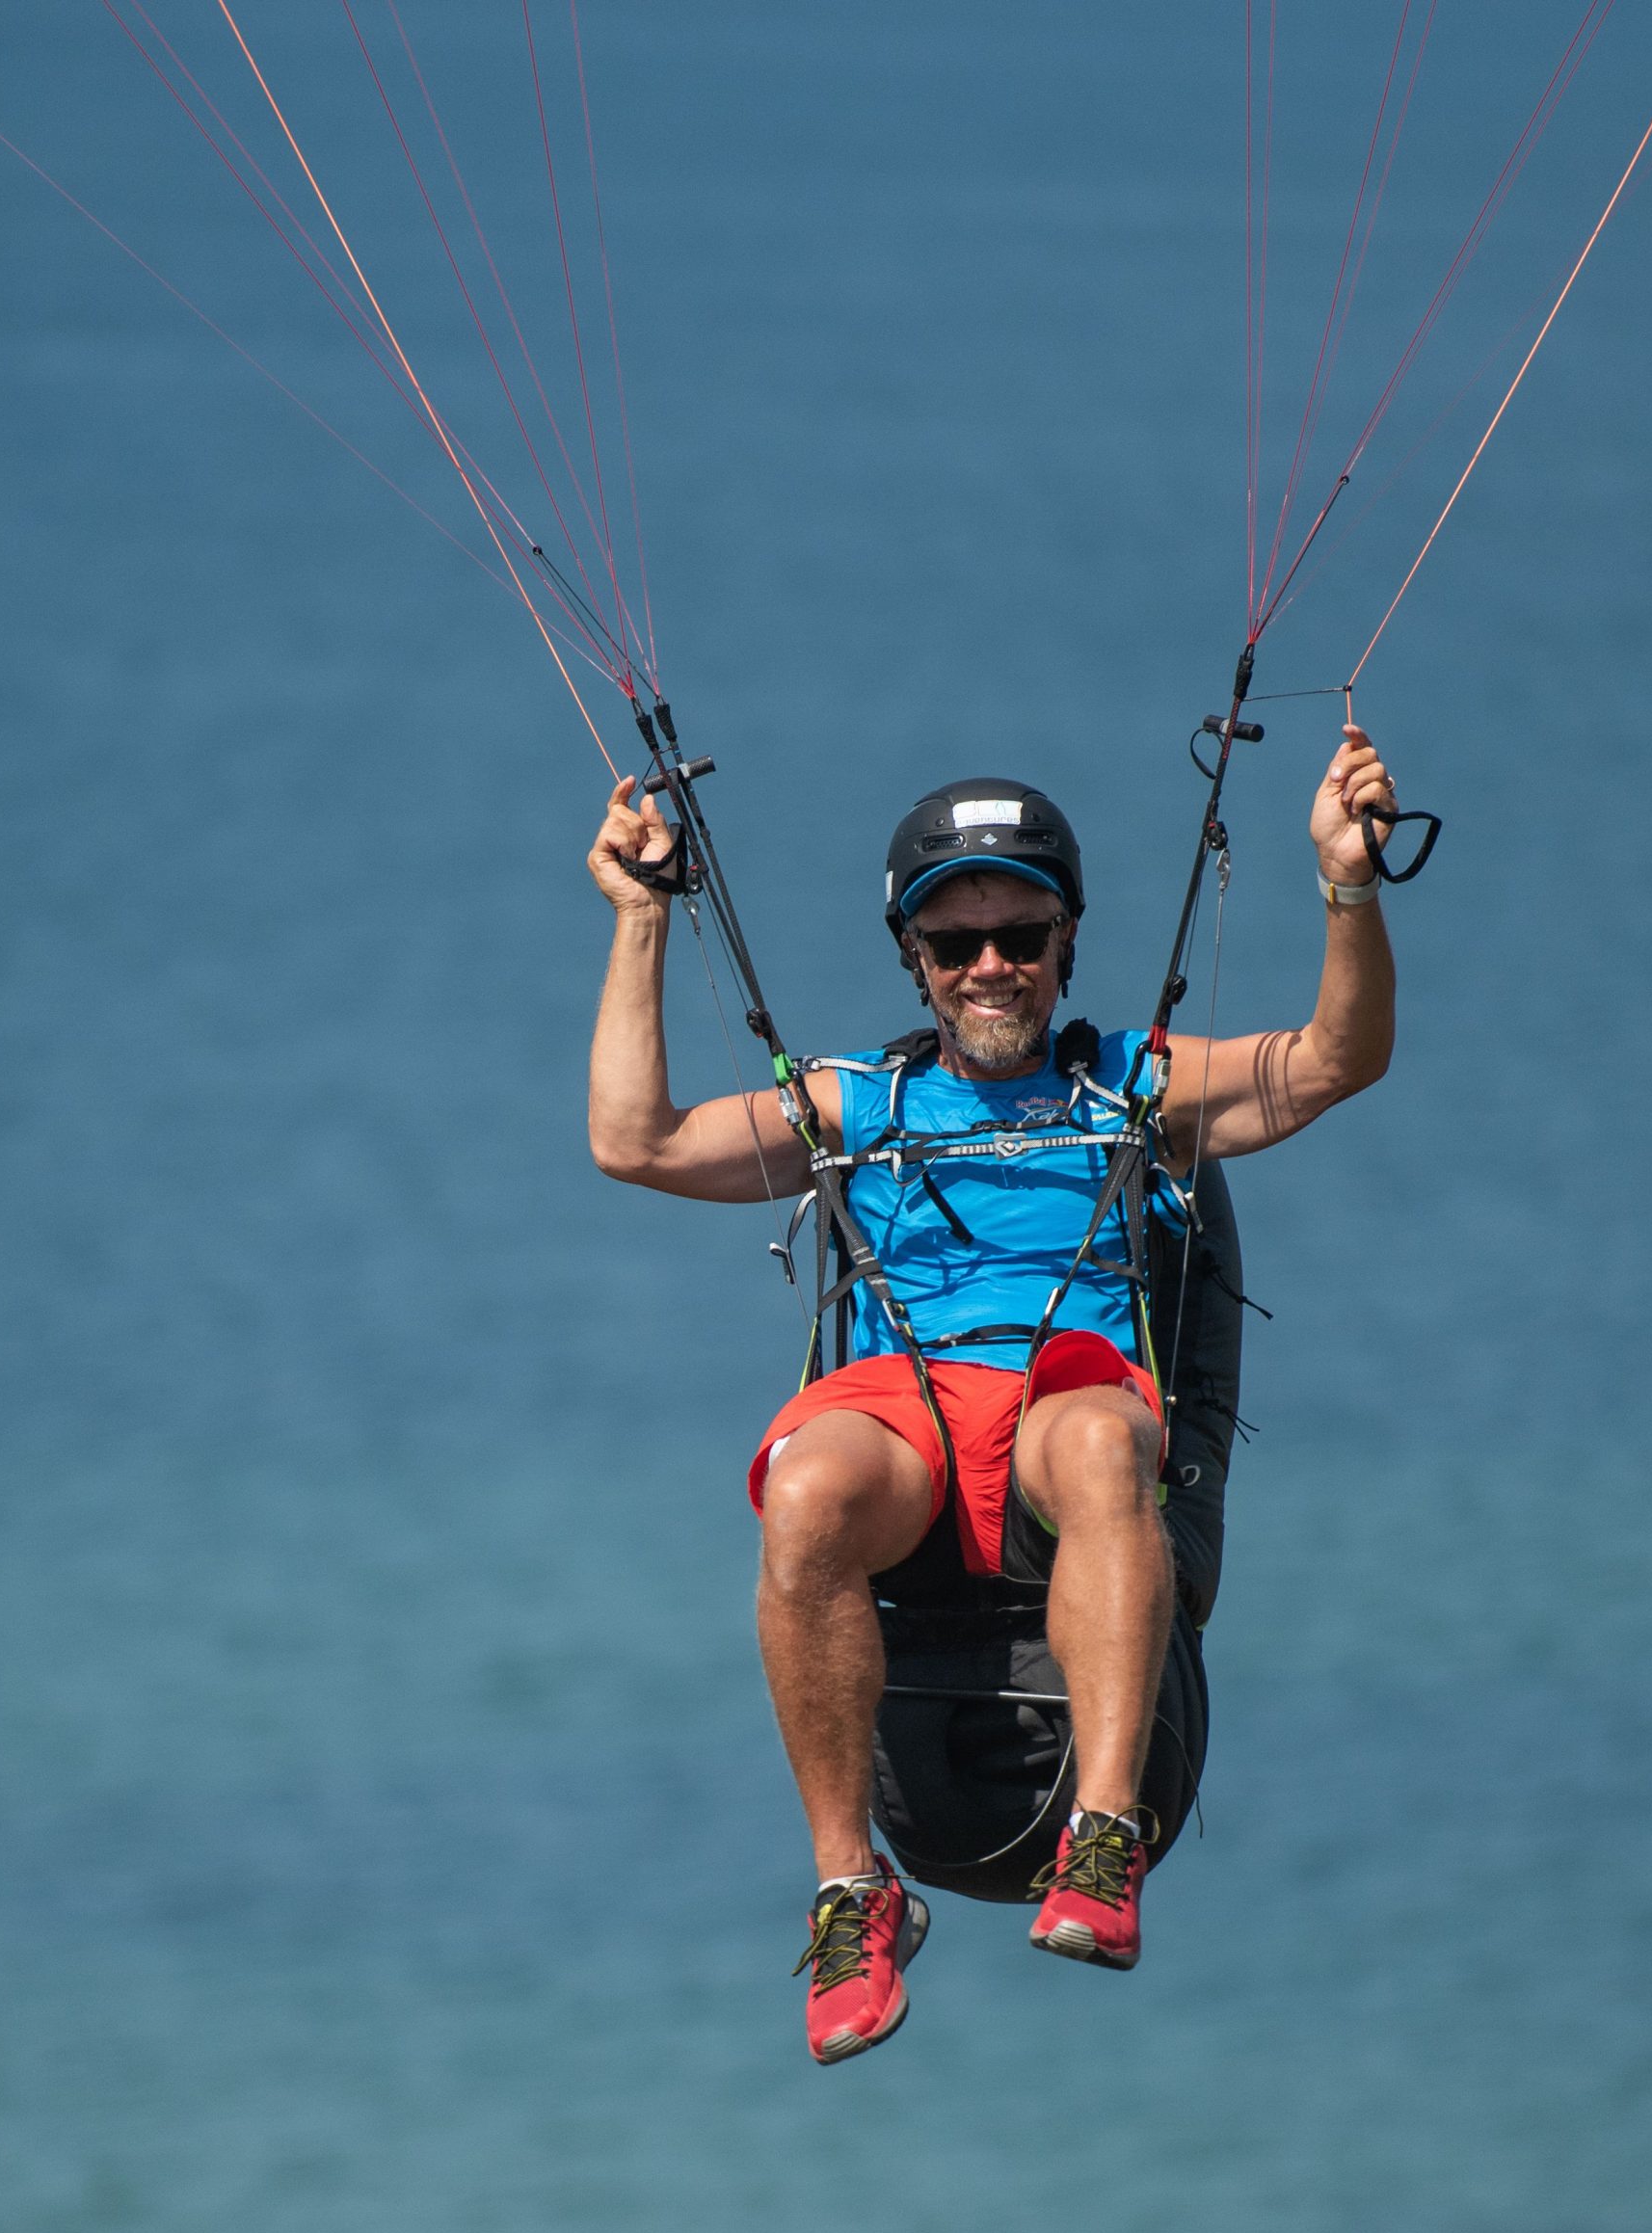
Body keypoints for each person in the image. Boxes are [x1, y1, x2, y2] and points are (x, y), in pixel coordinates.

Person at [586, 727, 1399, 2061]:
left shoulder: (1135, 1083)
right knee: (803, 1487)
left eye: (1020, 935)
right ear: (912, 954)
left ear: (1067, 941)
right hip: (906, 1420)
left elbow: (1331, 1060)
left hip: (1059, 1410)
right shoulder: (859, 1104)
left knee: (1100, 1441)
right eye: (954, 941)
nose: (988, 966)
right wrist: (640, 918)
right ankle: (851, 1893)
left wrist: (1347, 885)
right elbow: (638, 1140)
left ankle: (1102, 1835)